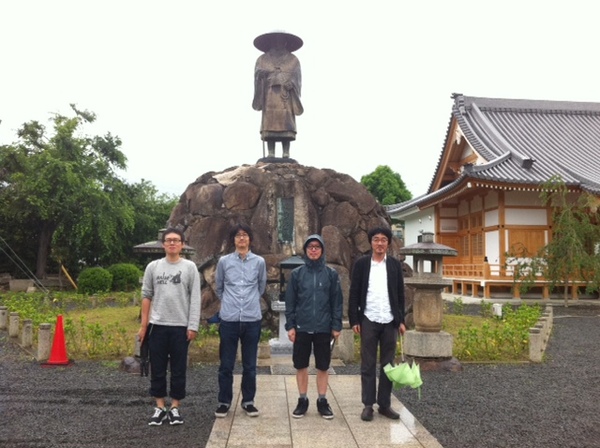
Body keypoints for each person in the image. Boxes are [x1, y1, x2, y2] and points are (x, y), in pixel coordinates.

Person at [139, 227, 201, 426]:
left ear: (182, 244)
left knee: (178, 368)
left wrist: (193, 325)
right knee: (157, 367)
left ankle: (175, 406)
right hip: (157, 325)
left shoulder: (190, 267)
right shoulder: (153, 267)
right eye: (168, 240)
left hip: (180, 326)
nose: (172, 243)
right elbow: (146, 295)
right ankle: (159, 406)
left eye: (176, 240)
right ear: (163, 244)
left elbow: (195, 298)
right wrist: (144, 325)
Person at [348, 226, 406, 422]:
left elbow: (400, 294)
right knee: (368, 363)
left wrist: (401, 320)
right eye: (376, 239)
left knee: (388, 364)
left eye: (383, 240)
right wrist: (354, 319)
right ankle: (368, 405)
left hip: (389, 320)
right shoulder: (362, 264)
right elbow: (354, 293)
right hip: (369, 318)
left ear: (388, 243)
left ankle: (384, 404)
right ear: (371, 242)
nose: (380, 243)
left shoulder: (394, 265)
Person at [285, 234, 343, 419]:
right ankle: (302, 399)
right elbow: (290, 303)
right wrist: (290, 326)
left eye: (317, 247)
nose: (313, 250)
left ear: (322, 250)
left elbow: (337, 302)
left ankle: (322, 400)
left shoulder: (331, 274)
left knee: (323, 366)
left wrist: (336, 325)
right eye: (310, 247)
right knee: (301, 365)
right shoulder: (297, 274)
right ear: (305, 250)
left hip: (323, 327)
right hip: (302, 326)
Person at [214, 224, 267, 418]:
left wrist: (249, 302)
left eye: (245, 235)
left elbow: (261, 286)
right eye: (238, 236)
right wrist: (230, 303)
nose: (242, 238)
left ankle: (248, 401)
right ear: (233, 240)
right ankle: (224, 402)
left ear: (250, 239)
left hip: (252, 319)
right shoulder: (224, 262)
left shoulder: (259, 262)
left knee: (250, 365)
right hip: (229, 319)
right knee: (226, 365)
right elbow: (219, 287)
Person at [252, 31, 303, 159]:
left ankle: (286, 152)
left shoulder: (293, 60)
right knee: (269, 122)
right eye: (275, 40)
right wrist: (260, 75)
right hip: (269, 95)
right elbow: (257, 75)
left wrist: (292, 83)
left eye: (280, 40)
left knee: (286, 122)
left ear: (285, 42)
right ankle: (271, 152)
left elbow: (297, 78)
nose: (277, 43)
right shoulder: (262, 59)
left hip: (285, 96)